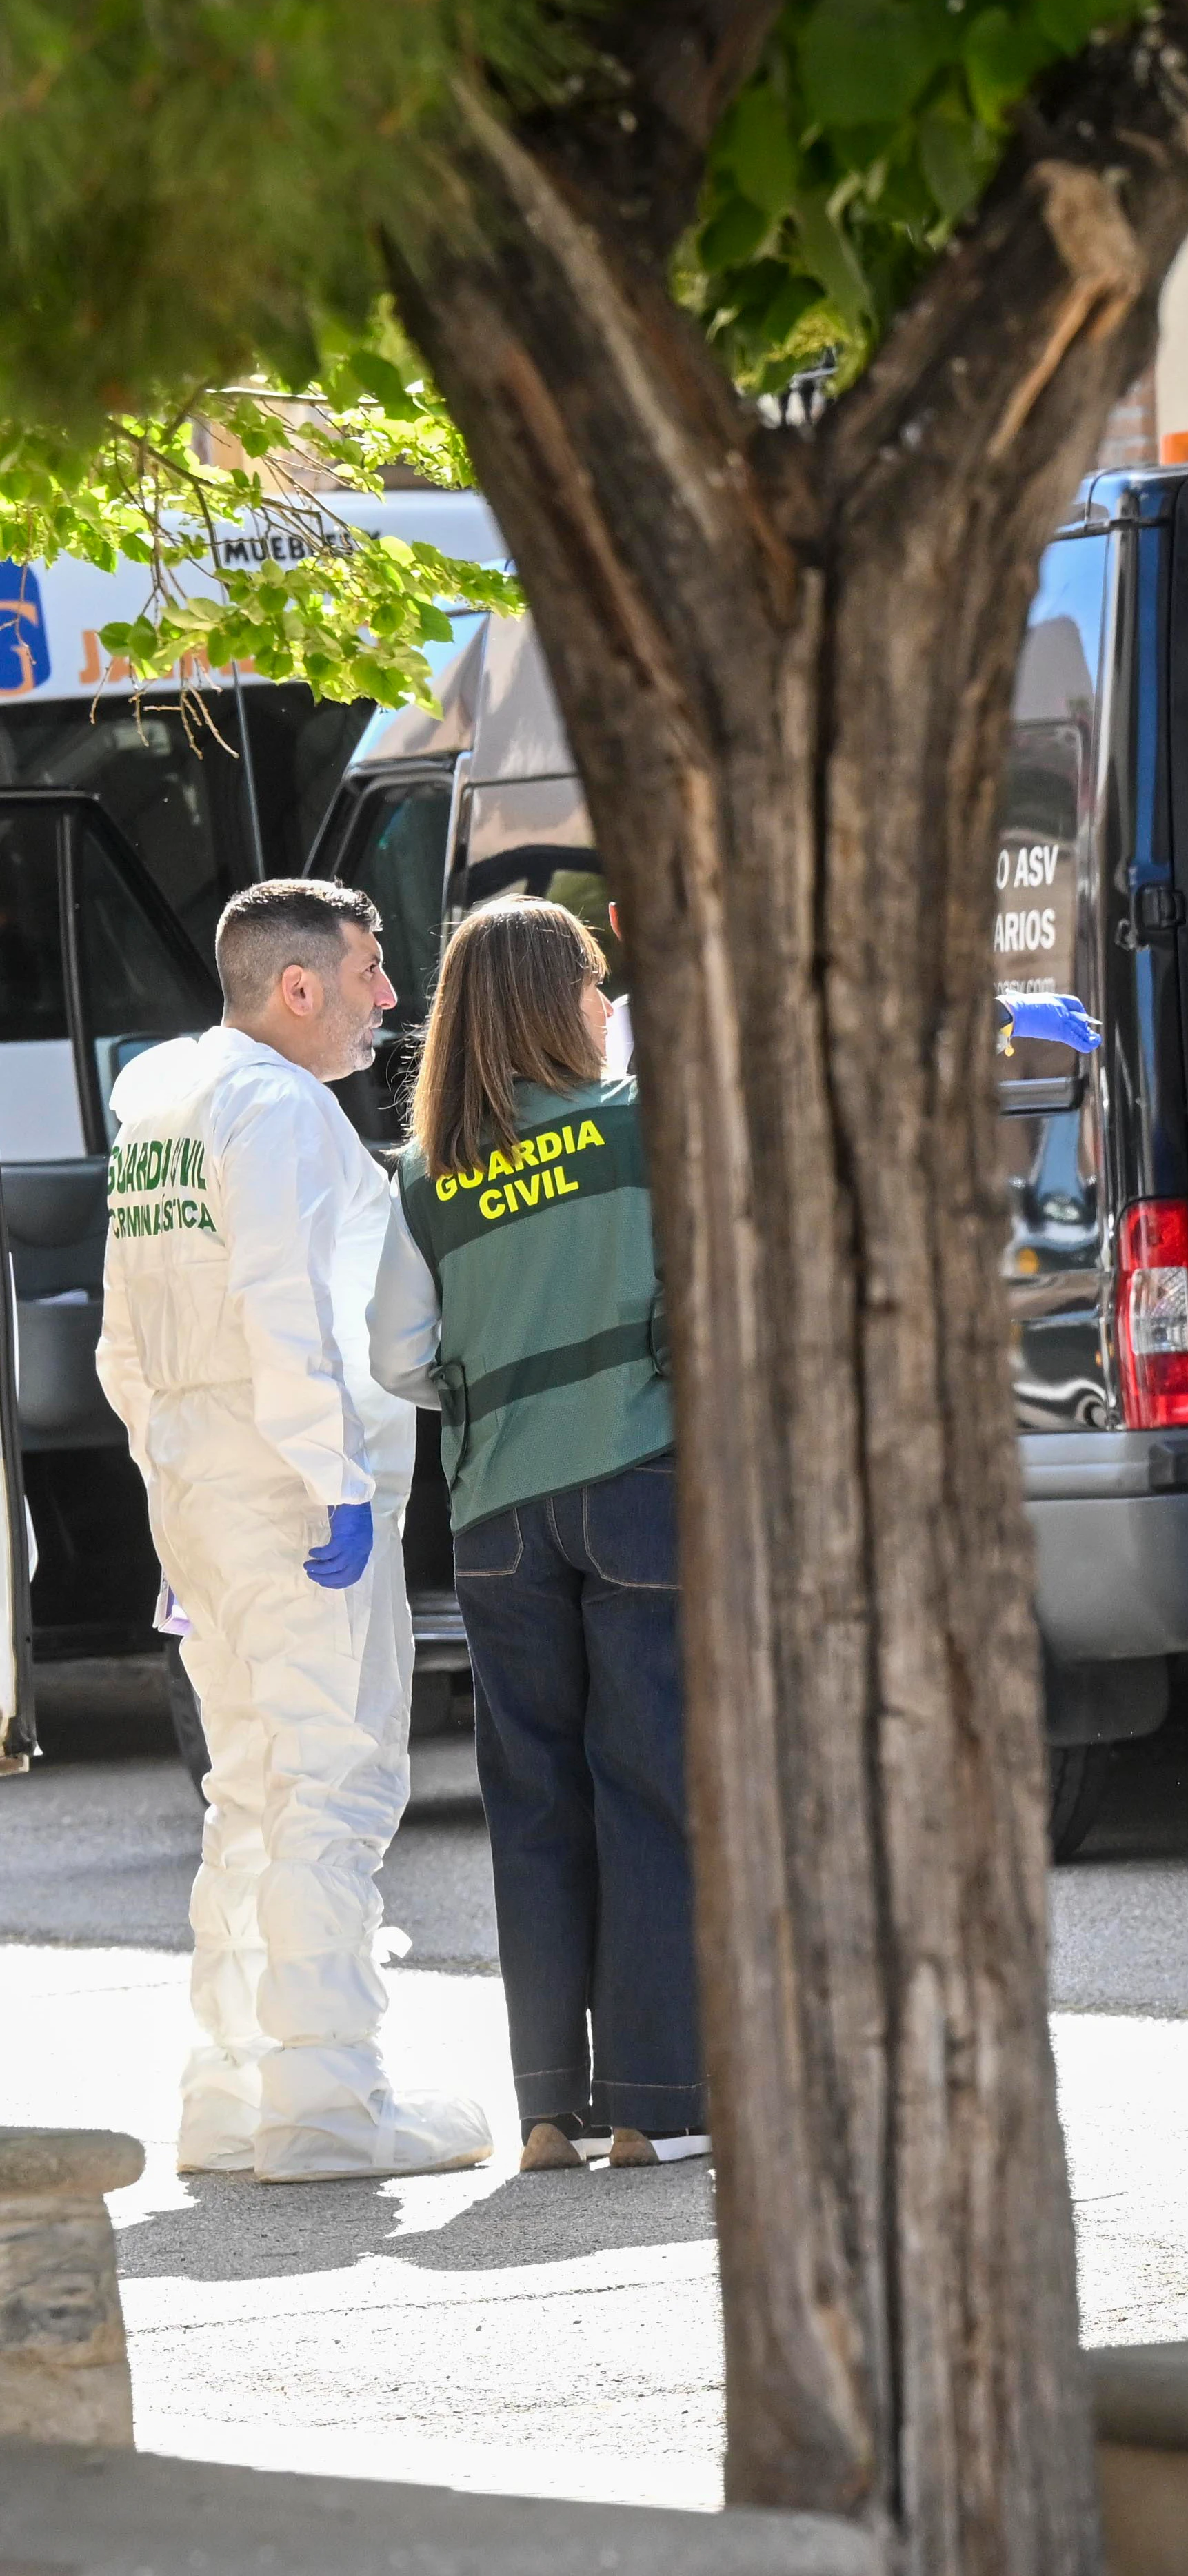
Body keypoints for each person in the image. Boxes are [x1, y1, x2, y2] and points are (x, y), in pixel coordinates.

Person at [101, 879, 492, 2181]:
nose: (392, 998)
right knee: (334, 1778)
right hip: (288, 1485)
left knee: (252, 1781)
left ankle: (232, 2091)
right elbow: (288, 1307)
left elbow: (121, 1335)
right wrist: (329, 1483)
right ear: (300, 986)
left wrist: (175, 1475)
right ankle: (327, 2105)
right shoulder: (274, 1110)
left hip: (201, 1481)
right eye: (374, 972)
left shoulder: (161, 1092)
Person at [370, 898, 698, 2173]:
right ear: (561, 1002)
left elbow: (394, 1354)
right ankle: (656, 2106)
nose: (609, 1004)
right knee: (653, 1791)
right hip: (638, 1486)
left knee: (538, 1804)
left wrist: (501, 1382)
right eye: (596, 983)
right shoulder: (637, 1129)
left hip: (497, 1511)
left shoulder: (427, 1172)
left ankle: (550, 2109)